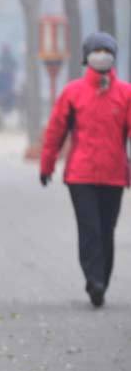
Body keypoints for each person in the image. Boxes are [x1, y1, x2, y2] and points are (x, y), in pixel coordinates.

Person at [40, 32, 129, 308]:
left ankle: (103, 277)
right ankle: (94, 280)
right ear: (86, 56)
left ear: (113, 56)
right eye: (97, 50)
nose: (101, 54)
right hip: (81, 174)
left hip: (114, 174)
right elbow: (56, 131)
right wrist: (47, 164)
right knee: (89, 228)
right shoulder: (73, 92)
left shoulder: (125, 94)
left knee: (107, 229)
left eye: (106, 50)